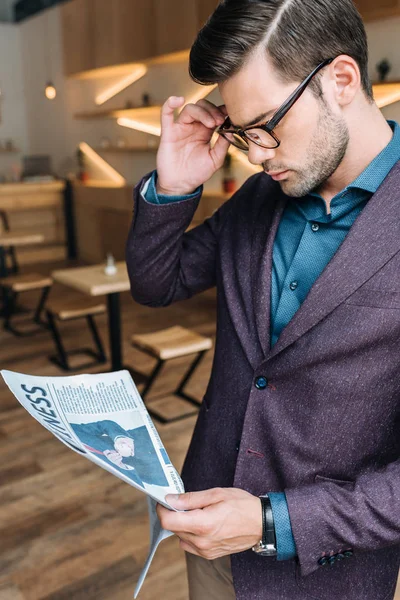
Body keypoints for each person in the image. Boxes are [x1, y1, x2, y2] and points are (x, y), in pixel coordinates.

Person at [125, 0, 400, 598]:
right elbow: (156, 284)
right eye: (240, 131)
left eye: (266, 125)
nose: (254, 153)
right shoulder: (258, 198)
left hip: (329, 568)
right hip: (208, 536)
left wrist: (272, 521)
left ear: (342, 79)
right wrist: (174, 187)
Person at [71, 420, 168, 488]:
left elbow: (105, 425)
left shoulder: (73, 429)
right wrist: (121, 466)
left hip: (143, 437)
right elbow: (137, 482)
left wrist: (120, 438)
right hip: (152, 470)